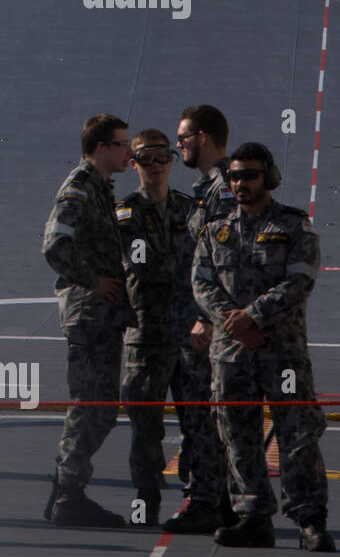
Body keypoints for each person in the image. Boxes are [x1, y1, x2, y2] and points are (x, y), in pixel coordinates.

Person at [191, 142, 334, 551]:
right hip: (232, 353)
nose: (240, 183)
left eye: (249, 175)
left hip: (282, 353)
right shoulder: (215, 228)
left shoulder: (293, 226)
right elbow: (201, 283)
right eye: (234, 176)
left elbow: (299, 280)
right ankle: (253, 516)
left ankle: (309, 520)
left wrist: (252, 315)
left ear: (267, 178)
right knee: (237, 436)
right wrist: (234, 323)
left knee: (298, 436)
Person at [115, 130, 220, 527]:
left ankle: (200, 498)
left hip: (188, 335)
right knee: (145, 427)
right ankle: (145, 504)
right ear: (134, 163)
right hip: (147, 336)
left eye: (163, 156)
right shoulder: (124, 214)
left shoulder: (189, 208)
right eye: (147, 157)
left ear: (172, 161)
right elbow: (141, 265)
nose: (156, 164)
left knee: (198, 419)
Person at [41, 113, 131, 527]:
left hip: (101, 315)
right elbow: (55, 247)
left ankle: (66, 490)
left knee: (103, 407)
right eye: (121, 144)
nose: (128, 151)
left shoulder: (99, 188)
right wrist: (93, 281)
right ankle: (67, 493)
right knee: (92, 406)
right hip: (89, 314)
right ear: (101, 148)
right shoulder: (80, 188)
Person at [162, 104, 234, 533]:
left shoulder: (222, 189)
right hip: (194, 321)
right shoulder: (209, 187)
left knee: (201, 416)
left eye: (184, 138)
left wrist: (207, 319)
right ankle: (216, 498)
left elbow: (225, 260)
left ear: (202, 138)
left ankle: (207, 500)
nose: (179, 145)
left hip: (203, 327)